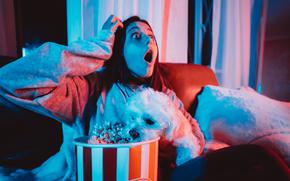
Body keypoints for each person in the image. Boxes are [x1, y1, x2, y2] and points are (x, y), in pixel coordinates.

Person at [0, 15, 205, 180]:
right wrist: (99, 47)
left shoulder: (167, 97)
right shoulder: (91, 89)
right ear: (118, 50)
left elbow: (195, 141)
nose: (148, 40)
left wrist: (165, 145)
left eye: (151, 36)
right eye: (136, 36)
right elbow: (11, 80)